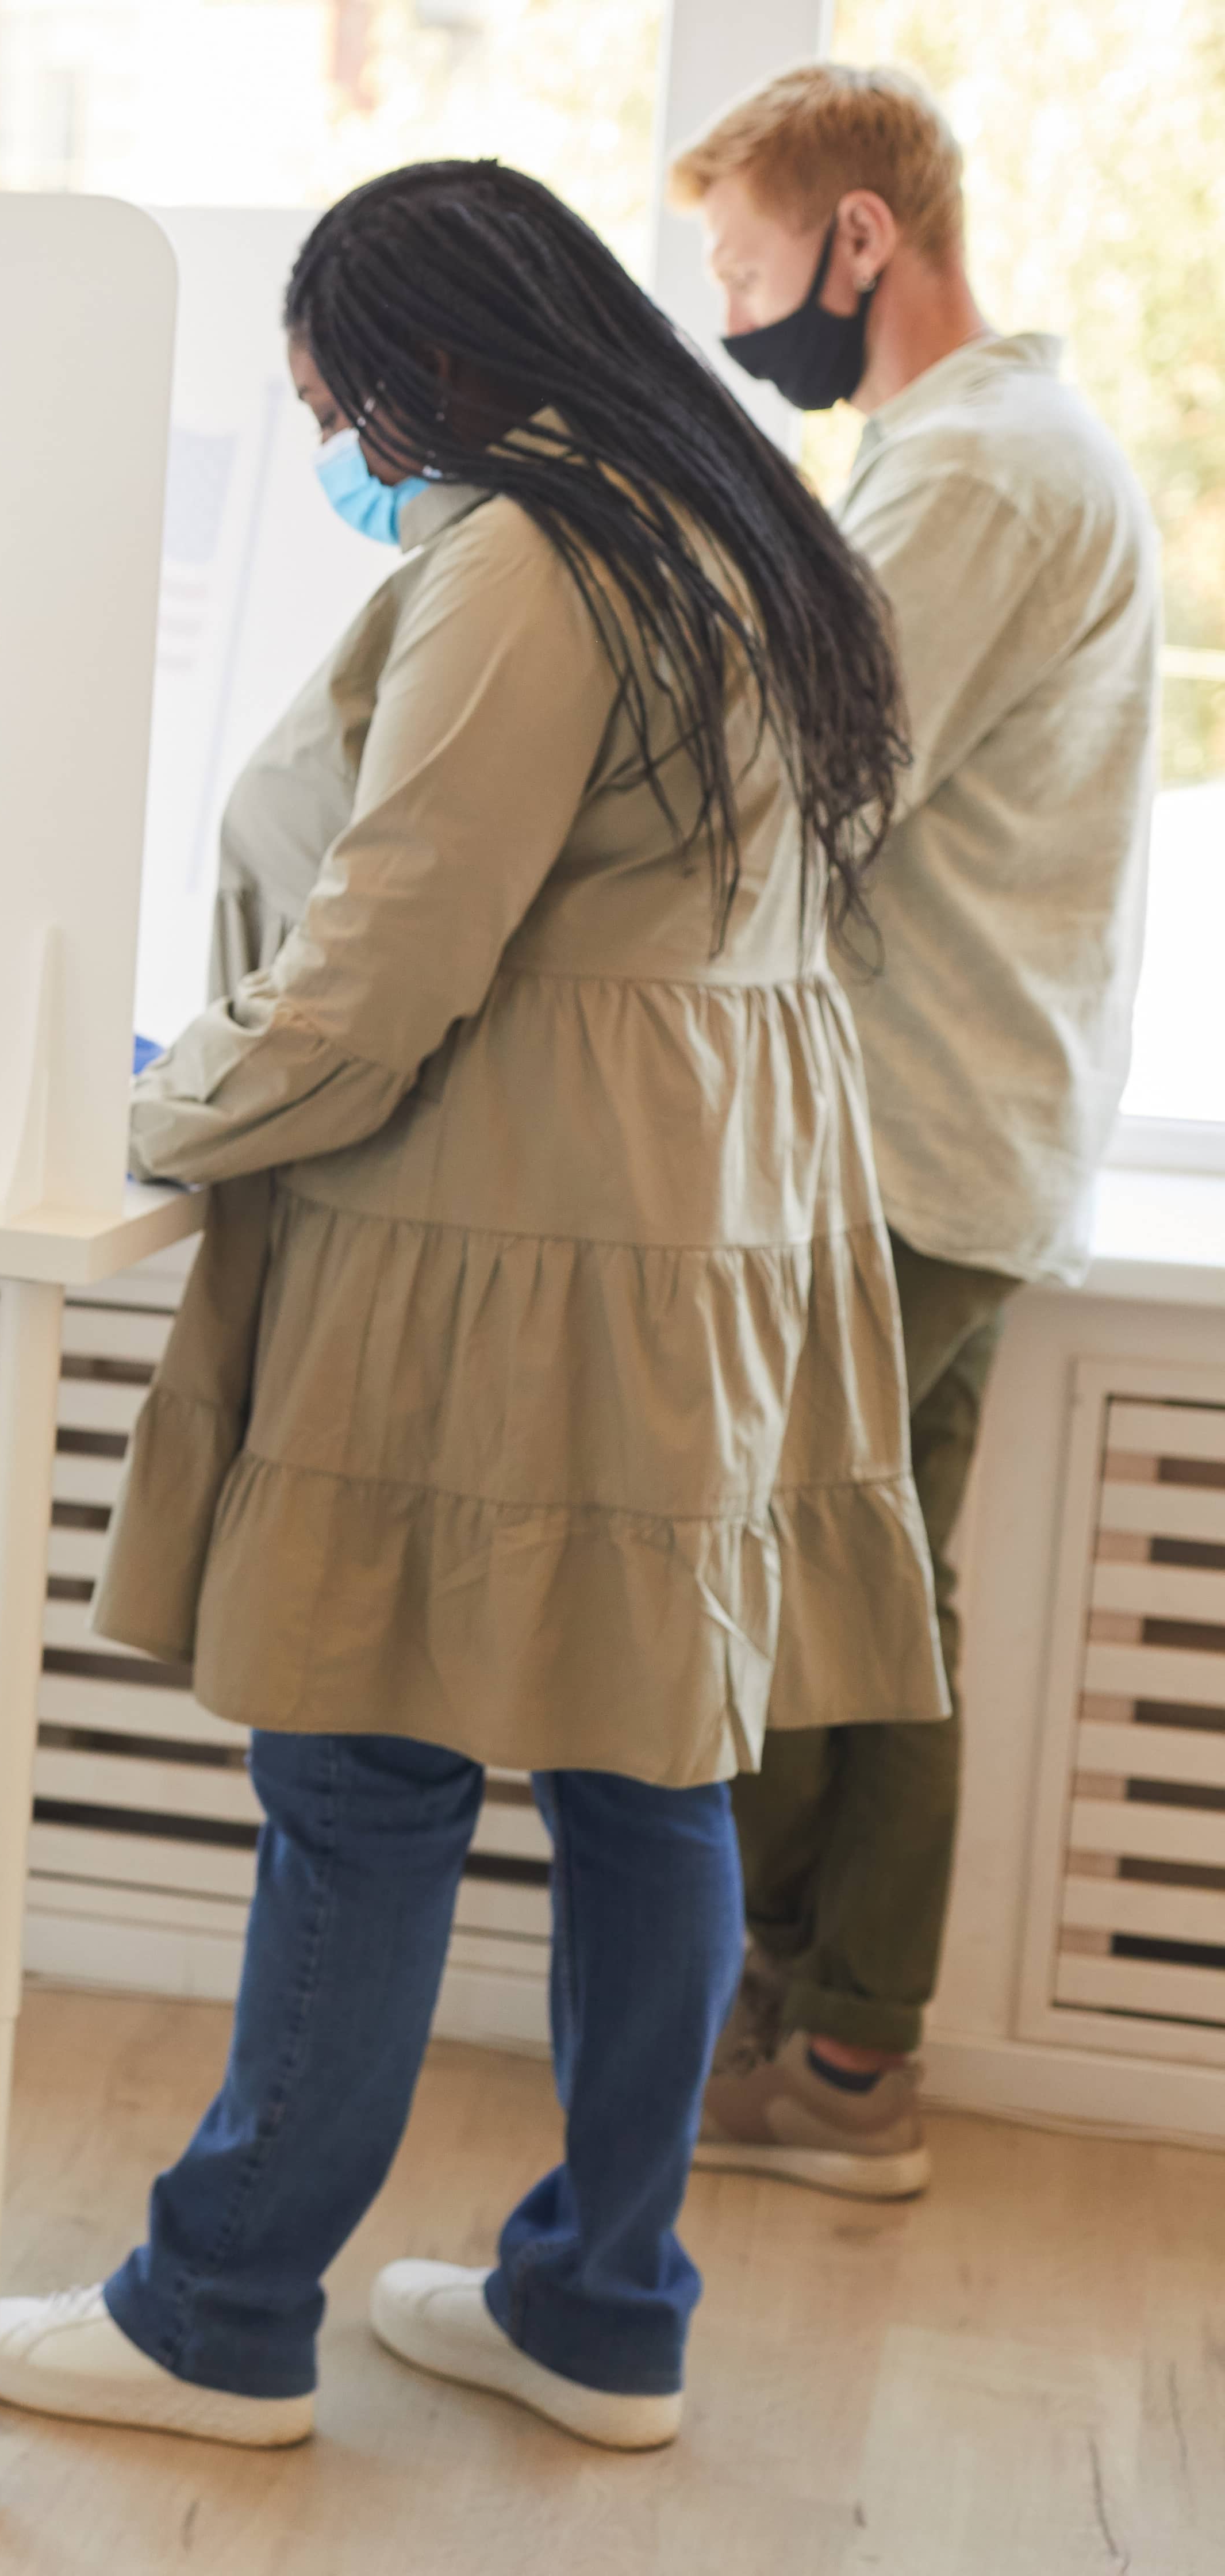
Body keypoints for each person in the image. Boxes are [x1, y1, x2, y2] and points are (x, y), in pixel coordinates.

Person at [0, 161, 936, 2454]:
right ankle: (607, 2309)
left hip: (507, 1230)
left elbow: (388, 956)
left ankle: (223, 2312)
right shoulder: (727, 522)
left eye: (338, 403)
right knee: (648, 1772)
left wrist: (154, 1115)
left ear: (428, 367)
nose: (340, 450)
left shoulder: (529, 554)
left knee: (359, 1762)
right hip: (704, 1220)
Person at [674, 63, 1162, 2198]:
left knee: (780, 1589)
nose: (732, 316)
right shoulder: (991, 455)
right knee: (876, 1598)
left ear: (860, 241)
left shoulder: (970, 475)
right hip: (963, 1122)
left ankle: (829, 2037)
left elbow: (809, 782)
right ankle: (837, 2047)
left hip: (911, 1142)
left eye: (748, 268)